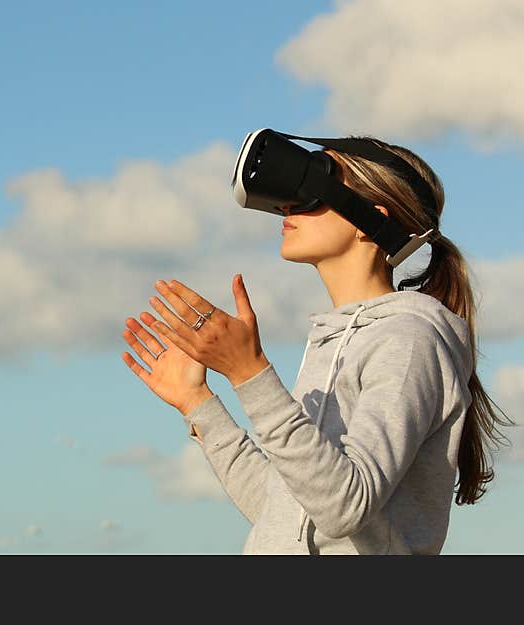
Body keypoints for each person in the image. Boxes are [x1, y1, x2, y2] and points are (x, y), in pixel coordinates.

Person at [120, 137, 515, 554]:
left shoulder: (410, 339)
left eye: (311, 189)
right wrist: (198, 403)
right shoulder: (331, 341)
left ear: (370, 219)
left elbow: (346, 507)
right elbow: (287, 515)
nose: (287, 206)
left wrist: (248, 372)